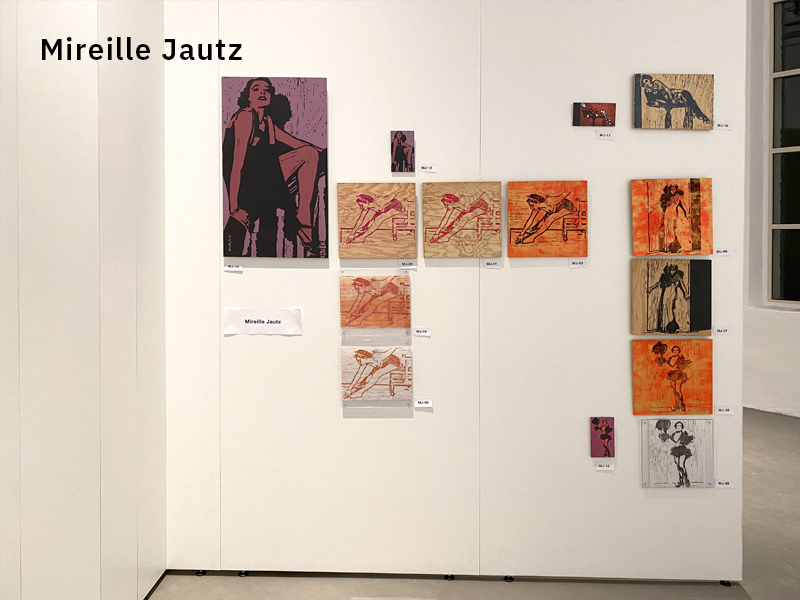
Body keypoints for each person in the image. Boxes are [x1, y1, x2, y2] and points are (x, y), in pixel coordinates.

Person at [222, 77, 322, 256]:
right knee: (237, 237)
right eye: (256, 89)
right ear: (248, 97)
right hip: (245, 183)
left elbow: (297, 144)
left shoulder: (266, 121)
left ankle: (303, 218)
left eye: (266, 90)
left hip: (262, 179)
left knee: (309, 153)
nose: (262, 92)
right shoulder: (245, 116)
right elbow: (236, 164)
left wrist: (328, 153)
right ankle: (300, 222)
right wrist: (234, 208)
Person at [640, 74, 712, 129]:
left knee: (687, 96)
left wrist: (671, 100)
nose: (645, 83)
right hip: (667, 101)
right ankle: (699, 115)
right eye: (644, 83)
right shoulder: (647, 91)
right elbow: (650, 102)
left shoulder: (656, 83)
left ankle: (700, 115)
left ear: (650, 80)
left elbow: (667, 90)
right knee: (690, 103)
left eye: (646, 81)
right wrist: (663, 103)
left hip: (674, 95)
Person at [647, 264, 689, 334]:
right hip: (666, 292)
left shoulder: (678, 277)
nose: (673, 271)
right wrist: (651, 288)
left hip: (672, 293)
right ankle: (664, 327)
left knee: (670, 309)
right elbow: (659, 283)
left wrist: (686, 294)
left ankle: (671, 327)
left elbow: (682, 285)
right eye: (671, 270)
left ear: (676, 270)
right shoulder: (666, 276)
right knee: (664, 307)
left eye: (674, 270)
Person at [666, 345, 691, 412]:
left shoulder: (681, 358)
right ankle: (676, 405)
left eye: (676, 350)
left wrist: (676, 368)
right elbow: (667, 366)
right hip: (672, 374)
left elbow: (682, 366)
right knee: (674, 391)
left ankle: (681, 405)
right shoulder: (670, 358)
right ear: (672, 351)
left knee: (678, 390)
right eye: (674, 350)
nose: (675, 351)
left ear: (678, 351)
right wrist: (671, 368)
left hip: (679, 374)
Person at [668, 422, 693, 487]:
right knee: (678, 466)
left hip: (682, 450)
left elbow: (689, 440)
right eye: (677, 426)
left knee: (682, 465)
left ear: (682, 427)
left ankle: (686, 481)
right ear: (675, 427)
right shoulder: (673, 434)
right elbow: (670, 441)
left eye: (680, 426)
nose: (679, 427)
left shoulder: (684, 434)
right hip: (676, 451)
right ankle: (680, 481)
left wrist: (681, 443)